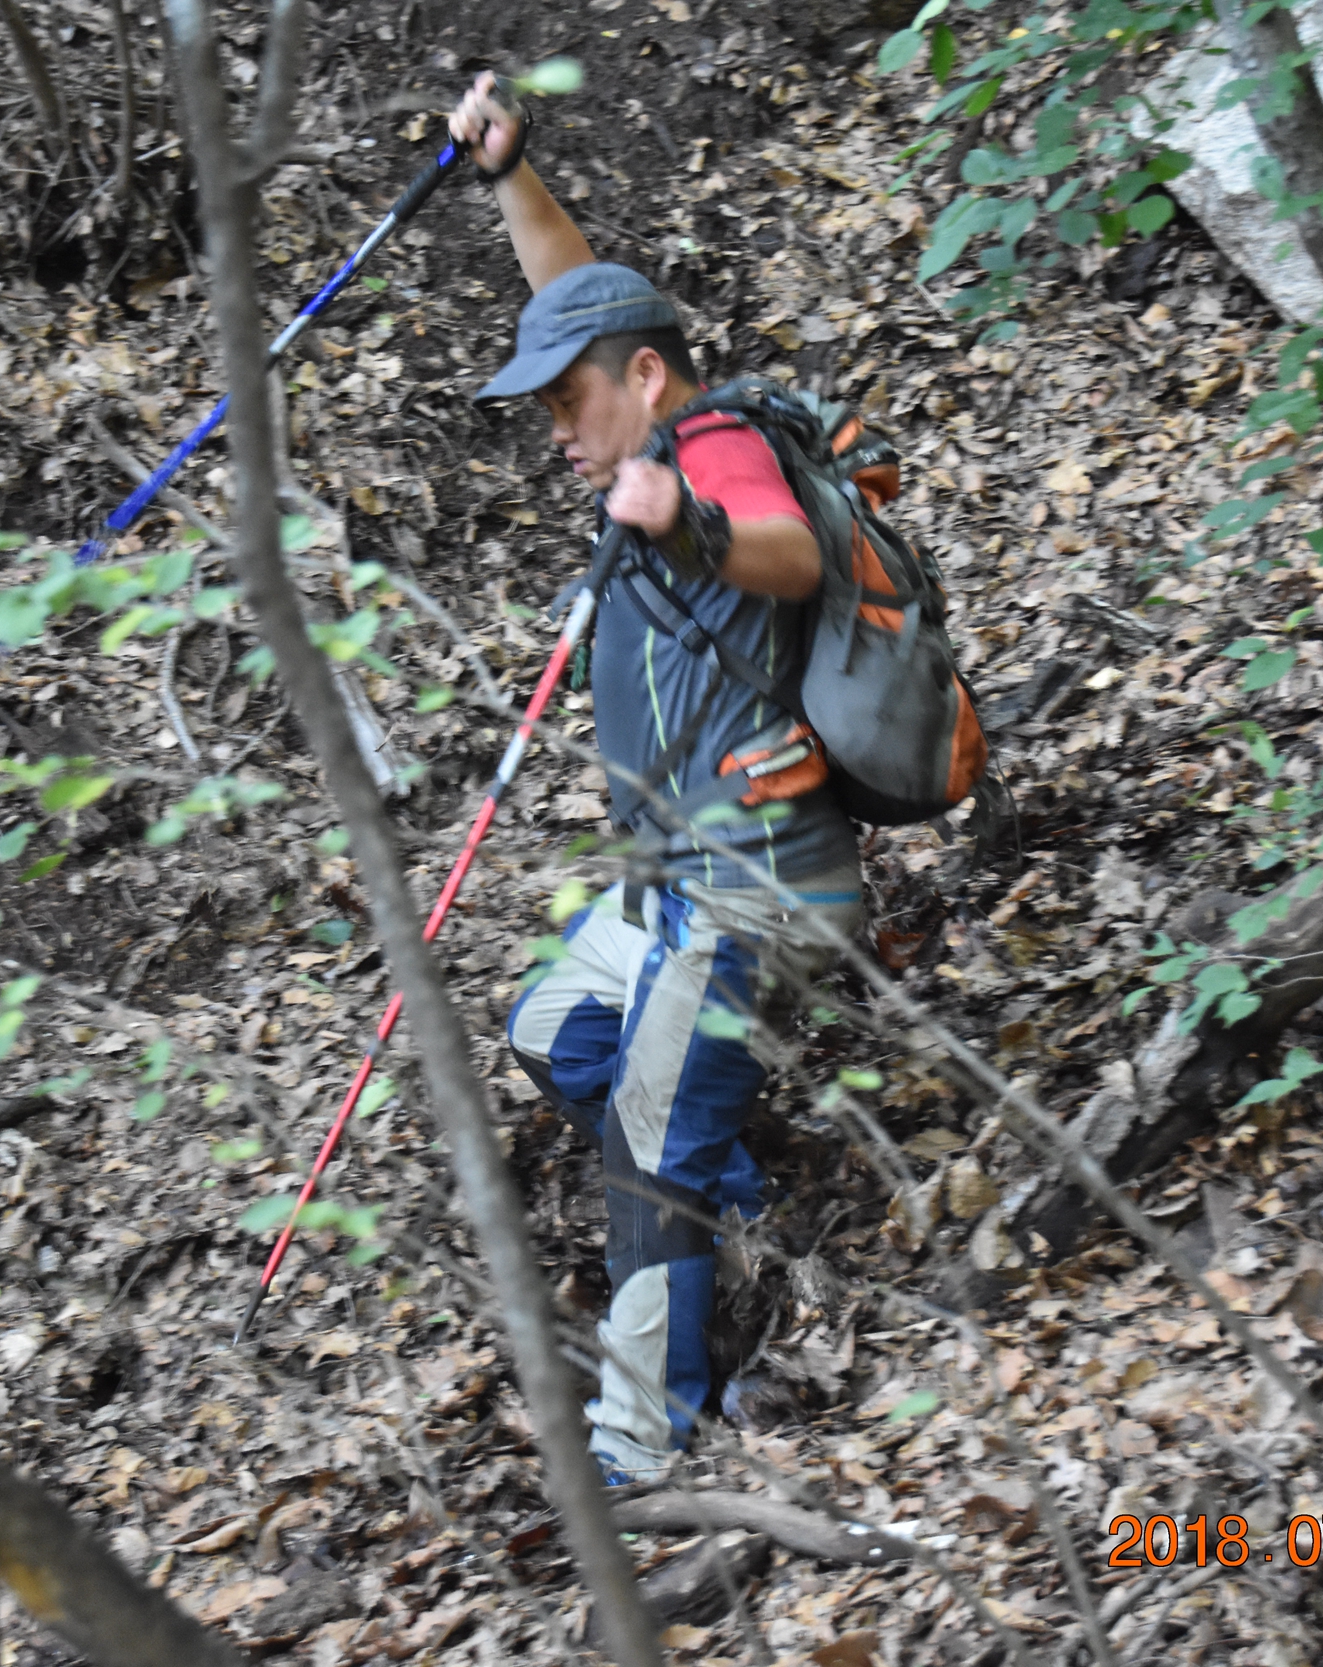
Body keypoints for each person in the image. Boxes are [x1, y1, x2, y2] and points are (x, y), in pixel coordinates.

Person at [449, 74, 867, 1486]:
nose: (556, 434)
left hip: (750, 880)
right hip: (672, 875)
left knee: (643, 1126)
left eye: (569, 403)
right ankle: (735, 1226)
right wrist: (515, 175)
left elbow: (790, 555)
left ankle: (638, 1448)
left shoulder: (719, 450)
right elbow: (586, 303)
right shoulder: (642, 410)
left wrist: (684, 519)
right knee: (554, 1030)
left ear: (642, 382)